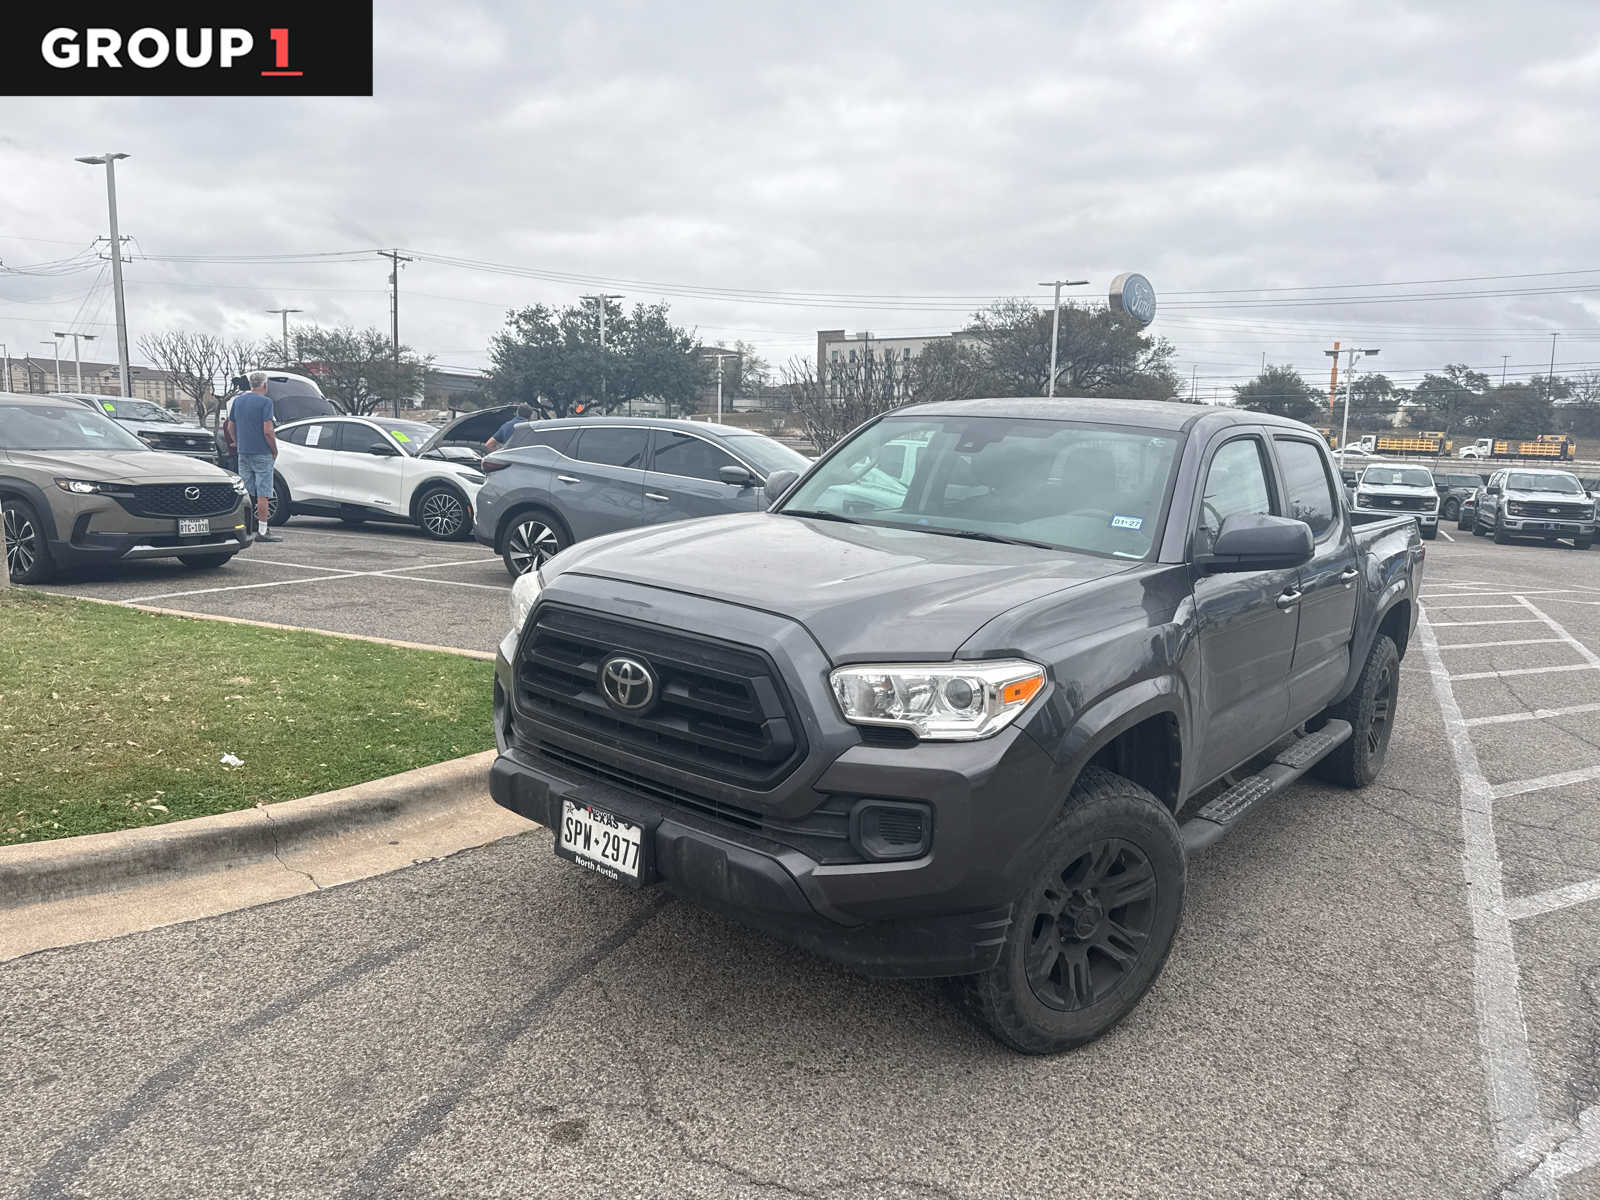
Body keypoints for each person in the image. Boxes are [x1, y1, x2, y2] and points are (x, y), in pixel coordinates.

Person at [227, 371, 281, 542]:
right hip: (262, 451)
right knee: (263, 492)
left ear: (251, 384)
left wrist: (237, 442)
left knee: (246, 491)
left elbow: (230, 426)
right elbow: (268, 431)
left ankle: (247, 526)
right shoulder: (266, 402)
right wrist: (274, 449)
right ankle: (263, 530)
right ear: (264, 385)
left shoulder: (238, 401)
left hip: (244, 451)